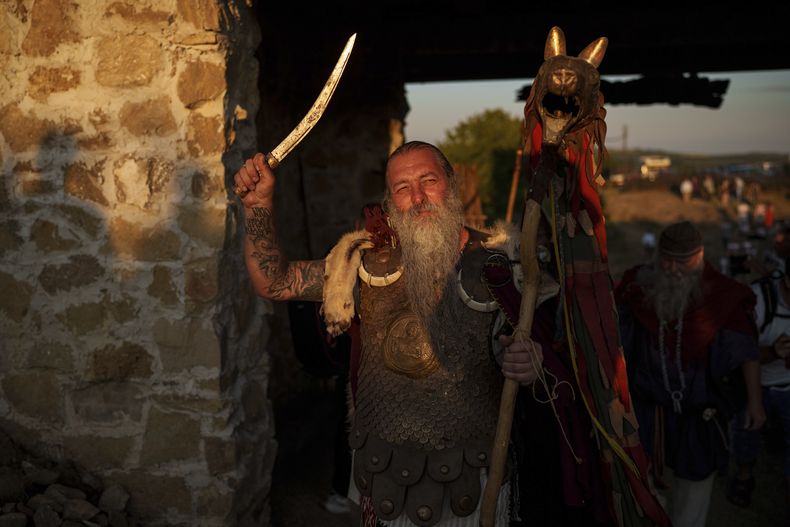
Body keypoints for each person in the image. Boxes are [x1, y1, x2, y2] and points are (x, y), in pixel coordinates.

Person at [233, 141, 542, 526]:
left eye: (428, 180)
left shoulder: (500, 268)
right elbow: (275, 283)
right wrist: (258, 206)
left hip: (476, 482)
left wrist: (531, 364)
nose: (417, 197)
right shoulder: (361, 264)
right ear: (391, 201)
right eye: (402, 188)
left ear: (451, 183)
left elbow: (540, 358)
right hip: (387, 481)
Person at [615, 221, 765, 527]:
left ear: (699, 256)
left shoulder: (724, 296)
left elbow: (745, 349)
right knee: (642, 492)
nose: (671, 269)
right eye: (666, 259)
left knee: (692, 502)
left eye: (681, 261)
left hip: (699, 417)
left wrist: (755, 401)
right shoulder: (639, 286)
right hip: (649, 413)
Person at [728, 223, 790, 520]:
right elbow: (741, 353)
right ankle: (744, 475)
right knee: (747, 429)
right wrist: (773, 352)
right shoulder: (761, 298)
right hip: (758, 381)